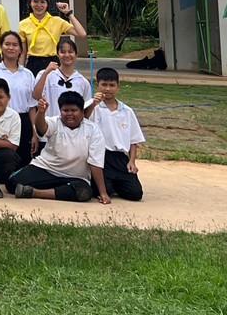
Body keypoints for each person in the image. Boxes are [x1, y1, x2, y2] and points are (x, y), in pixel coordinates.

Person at [7, 90, 108, 203]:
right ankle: (57, 191)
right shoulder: (55, 122)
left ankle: (35, 192)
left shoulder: (93, 130)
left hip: (75, 177)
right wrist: (41, 112)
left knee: (84, 192)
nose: (69, 114)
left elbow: (95, 163)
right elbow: (41, 128)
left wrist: (103, 193)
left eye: (73, 110)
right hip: (46, 169)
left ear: (82, 112)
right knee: (12, 184)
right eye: (65, 110)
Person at [89, 67, 146, 201]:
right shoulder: (93, 107)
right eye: (104, 85)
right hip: (101, 157)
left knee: (135, 193)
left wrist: (132, 161)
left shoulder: (127, 111)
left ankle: (115, 184)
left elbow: (134, 140)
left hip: (120, 158)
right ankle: (108, 185)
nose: (108, 89)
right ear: (98, 85)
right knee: (103, 190)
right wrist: (93, 104)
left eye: (112, 85)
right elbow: (83, 121)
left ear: (118, 87)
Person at [0, 30, 40, 163]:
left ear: (20, 49)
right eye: (7, 44)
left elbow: (32, 107)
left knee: (24, 160)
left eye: (15, 45)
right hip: (0, 120)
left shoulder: (27, 74)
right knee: (3, 159)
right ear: (1, 47)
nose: (11, 48)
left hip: (23, 121)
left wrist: (35, 134)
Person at [18, 0, 87, 75]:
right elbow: (23, 52)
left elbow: (82, 34)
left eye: (42, 2)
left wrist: (68, 13)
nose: (39, 5)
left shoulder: (57, 21)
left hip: (53, 63)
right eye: (35, 1)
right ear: (30, 3)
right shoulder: (23, 24)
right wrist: (21, 72)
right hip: (33, 63)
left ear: (47, 4)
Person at [33, 37, 92, 128]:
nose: (67, 55)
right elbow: (36, 96)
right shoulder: (47, 75)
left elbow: (86, 108)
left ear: (76, 54)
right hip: (50, 127)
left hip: (73, 130)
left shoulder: (83, 81)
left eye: (70, 52)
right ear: (57, 54)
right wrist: (46, 73)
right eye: (63, 52)